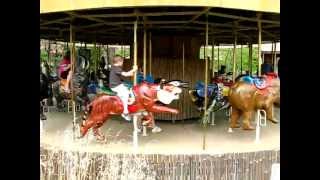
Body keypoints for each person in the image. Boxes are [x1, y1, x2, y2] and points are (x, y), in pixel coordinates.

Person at [109, 55, 138, 121]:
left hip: (118, 84)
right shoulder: (116, 68)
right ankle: (125, 112)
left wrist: (131, 72)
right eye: (122, 62)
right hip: (115, 86)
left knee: (129, 88)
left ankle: (128, 103)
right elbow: (125, 74)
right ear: (119, 62)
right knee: (125, 93)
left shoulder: (115, 68)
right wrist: (133, 69)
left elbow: (126, 74)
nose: (122, 63)